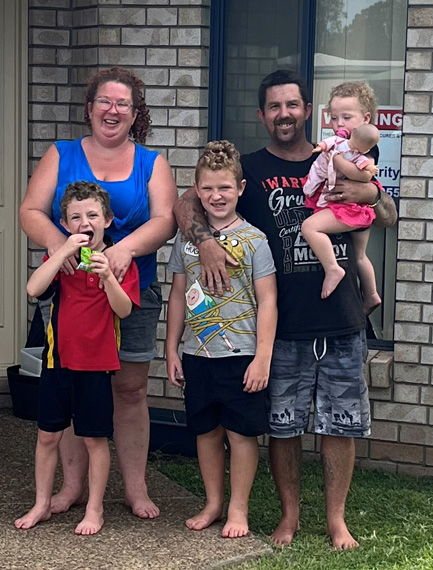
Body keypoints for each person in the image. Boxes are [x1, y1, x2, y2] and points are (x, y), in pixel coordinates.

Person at [173, 69, 397, 550]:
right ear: (262, 115)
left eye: (292, 105)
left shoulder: (335, 157)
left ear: (308, 110)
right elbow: (187, 201)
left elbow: (389, 215)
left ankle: (337, 521)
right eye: (274, 107)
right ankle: (290, 517)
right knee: (284, 426)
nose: (284, 114)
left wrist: (374, 194)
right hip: (283, 326)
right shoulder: (249, 170)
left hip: (341, 318)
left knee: (341, 425)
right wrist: (206, 242)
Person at [19, 66, 177, 519]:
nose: (112, 110)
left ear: (134, 113)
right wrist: (56, 244)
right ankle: (70, 488)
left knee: (129, 389)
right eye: (104, 102)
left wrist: (124, 250)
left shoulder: (152, 162)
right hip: (72, 292)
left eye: (122, 104)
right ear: (89, 110)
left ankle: (135, 488)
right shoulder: (62, 154)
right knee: (71, 384)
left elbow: (165, 220)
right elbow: (30, 209)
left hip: (131, 289)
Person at [165, 140, 277, 538]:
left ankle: (237, 508)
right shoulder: (186, 239)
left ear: (240, 189)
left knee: (240, 433)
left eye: (225, 188)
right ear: (196, 190)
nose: (216, 196)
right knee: (206, 431)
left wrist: (262, 357)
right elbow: (178, 294)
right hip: (197, 353)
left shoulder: (256, 241)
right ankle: (212, 501)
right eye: (208, 188)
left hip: (242, 355)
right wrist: (171, 348)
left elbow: (267, 301)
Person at [15, 181, 140, 535]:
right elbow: (33, 289)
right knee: (47, 436)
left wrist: (107, 278)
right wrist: (60, 253)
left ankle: (95, 508)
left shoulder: (116, 261)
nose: (84, 222)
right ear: (65, 224)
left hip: (97, 365)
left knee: (94, 439)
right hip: (58, 362)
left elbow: (125, 310)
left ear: (108, 220)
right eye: (75, 217)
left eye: (92, 215)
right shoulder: (62, 260)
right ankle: (41, 503)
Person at [302, 82, 383, 312]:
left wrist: (336, 160)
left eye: (346, 117)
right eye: (334, 118)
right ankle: (372, 294)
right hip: (355, 210)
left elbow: (362, 176)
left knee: (311, 228)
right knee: (359, 257)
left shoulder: (366, 147)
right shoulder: (341, 144)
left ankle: (332, 268)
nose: (339, 124)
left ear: (365, 118)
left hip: (353, 210)